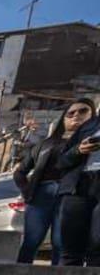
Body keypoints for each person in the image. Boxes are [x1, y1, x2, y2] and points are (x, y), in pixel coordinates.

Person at [13, 98, 95, 265]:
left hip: (72, 196)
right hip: (42, 195)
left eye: (83, 111)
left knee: (61, 245)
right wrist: (28, 192)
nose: (76, 116)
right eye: (70, 113)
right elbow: (20, 172)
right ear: (63, 119)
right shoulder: (45, 144)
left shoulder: (93, 142)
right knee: (31, 242)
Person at [55, 105, 100, 266]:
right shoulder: (90, 125)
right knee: (70, 250)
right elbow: (61, 162)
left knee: (97, 247)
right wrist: (79, 150)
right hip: (78, 186)